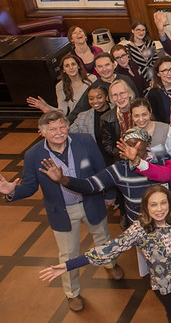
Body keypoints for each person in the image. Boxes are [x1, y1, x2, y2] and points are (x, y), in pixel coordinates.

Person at [0, 111, 123, 312]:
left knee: (103, 238)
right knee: (68, 254)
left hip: (92, 202)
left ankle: (110, 263)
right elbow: (30, 187)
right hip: (62, 212)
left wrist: (109, 194)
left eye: (62, 127)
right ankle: (72, 293)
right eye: (53, 129)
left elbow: (102, 169)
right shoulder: (34, 155)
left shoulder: (85, 141)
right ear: (42, 132)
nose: (59, 132)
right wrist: (12, 191)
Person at [39, 185, 171, 323]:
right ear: (146, 208)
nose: (159, 209)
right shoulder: (140, 228)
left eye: (163, 203)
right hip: (166, 282)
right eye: (153, 205)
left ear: (170, 203)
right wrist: (70, 264)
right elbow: (111, 248)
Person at [41, 127, 158, 225]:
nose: (133, 149)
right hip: (141, 227)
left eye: (137, 144)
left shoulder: (162, 160)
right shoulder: (120, 169)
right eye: (128, 145)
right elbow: (90, 185)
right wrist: (62, 179)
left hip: (166, 225)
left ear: (146, 144)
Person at [27, 53, 97, 123]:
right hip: (76, 120)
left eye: (73, 64)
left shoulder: (91, 79)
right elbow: (62, 111)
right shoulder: (60, 86)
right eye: (67, 66)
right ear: (63, 70)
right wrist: (46, 106)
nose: (71, 68)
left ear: (78, 66)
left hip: (93, 116)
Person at [146, 56, 171, 124]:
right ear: (158, 74)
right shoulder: (154, 94)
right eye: (164, 71)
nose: (169, 73)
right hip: (167, 130)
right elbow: (157, 119)